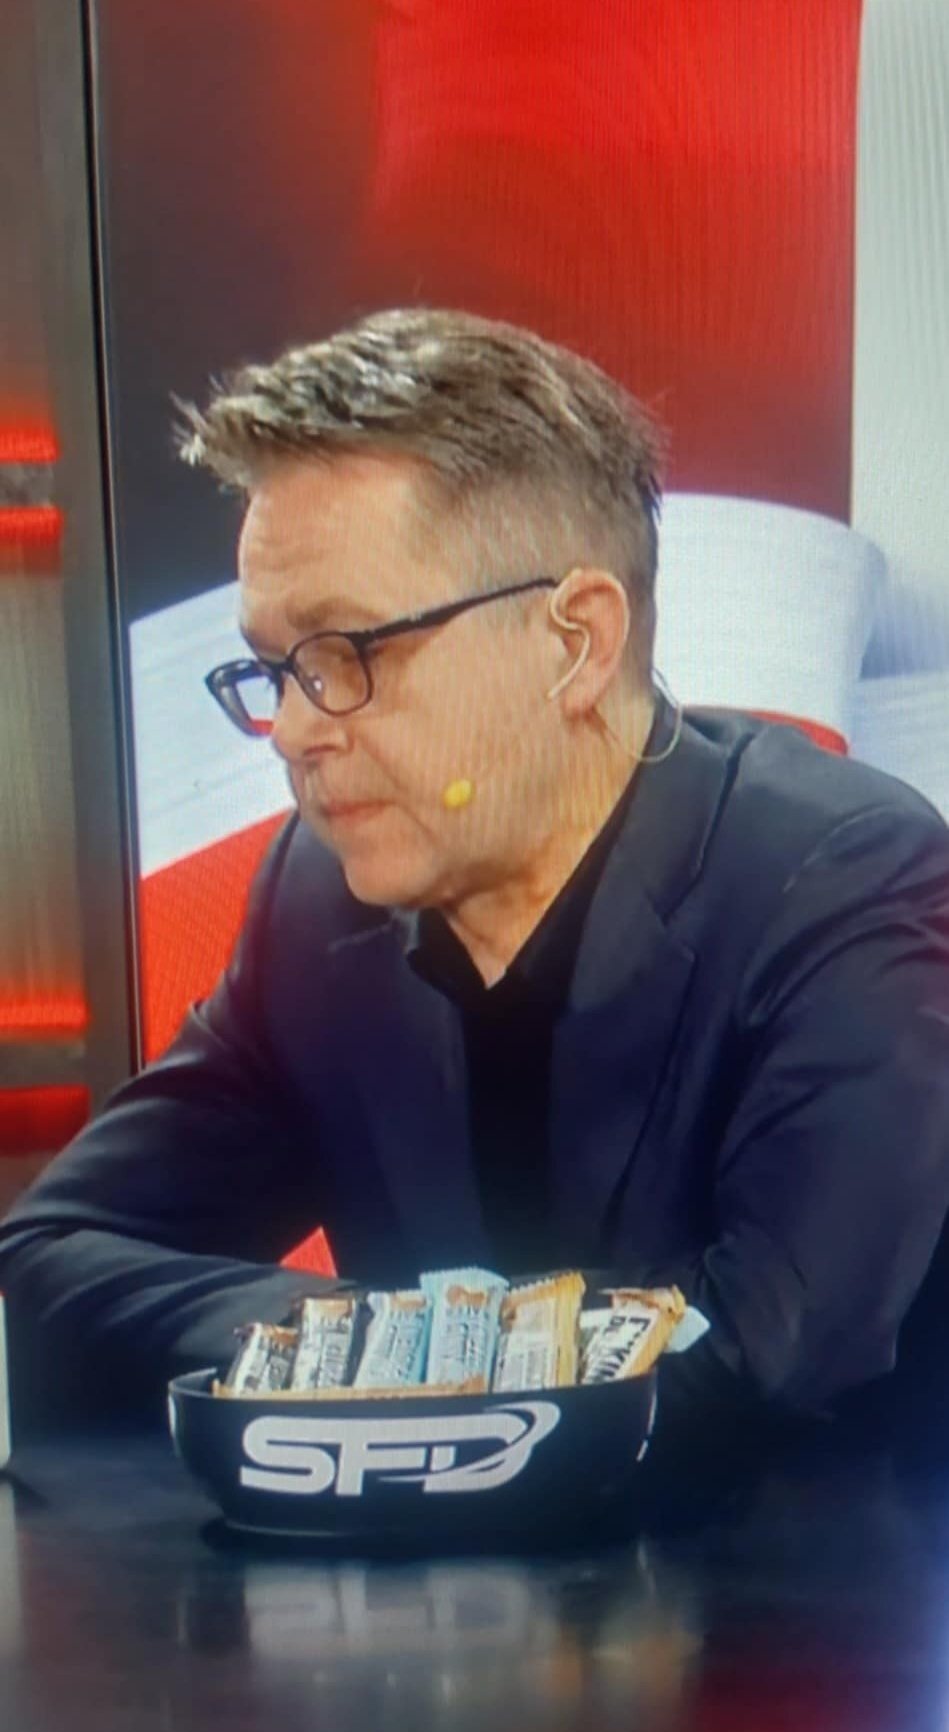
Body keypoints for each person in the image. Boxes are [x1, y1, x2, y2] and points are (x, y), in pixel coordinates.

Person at [2, 306, 948, 1444]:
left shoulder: (840, 879)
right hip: (417, 1558)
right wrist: (380, 1350)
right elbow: (52, 1264)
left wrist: (410, 1368)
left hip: (786, 1560)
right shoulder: (315, 903)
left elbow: (770, 1350)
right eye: (275, 668)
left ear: (575, 642)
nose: (293, 730)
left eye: (349, 653)